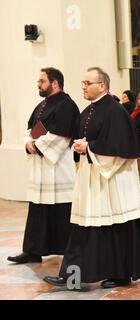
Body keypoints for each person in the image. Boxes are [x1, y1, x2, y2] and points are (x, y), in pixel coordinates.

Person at [44, 67, 140, 289]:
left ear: (102, 85)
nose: (83, 86)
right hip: (94, 176)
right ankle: (73, 277)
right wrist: (80, 146)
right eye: (83, 83)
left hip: (112, 179)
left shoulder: (114, 110)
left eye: (87, 83)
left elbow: (121, 144)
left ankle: (114, 274)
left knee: (113, 228)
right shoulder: (92, 109)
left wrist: (89, 147)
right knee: (86, 227)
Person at [7, 67, 80, 264]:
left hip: (58, 169)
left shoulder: (67, 105)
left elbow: (61, 136)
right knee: (37, 210)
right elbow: (29, 130)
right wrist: (27, 142)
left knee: (61, 212)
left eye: (42, 81)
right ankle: (32, 250)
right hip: (40, 169)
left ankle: (69, 253)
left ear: (54, 83)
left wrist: (35, 146)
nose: (38, 85)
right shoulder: (42, 105)